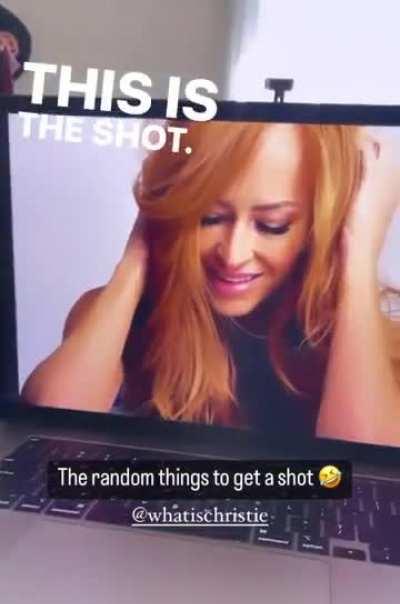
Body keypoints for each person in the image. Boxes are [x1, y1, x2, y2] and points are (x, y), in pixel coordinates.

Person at [21, 121, 400, 446]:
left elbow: (366, 475)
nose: (234, 255)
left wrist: (359, 253)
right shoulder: (114, 318)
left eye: (273, 225)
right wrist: (142, 248)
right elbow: (47, 432)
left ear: (319, 225)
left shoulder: (374, 346)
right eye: (210, 217)